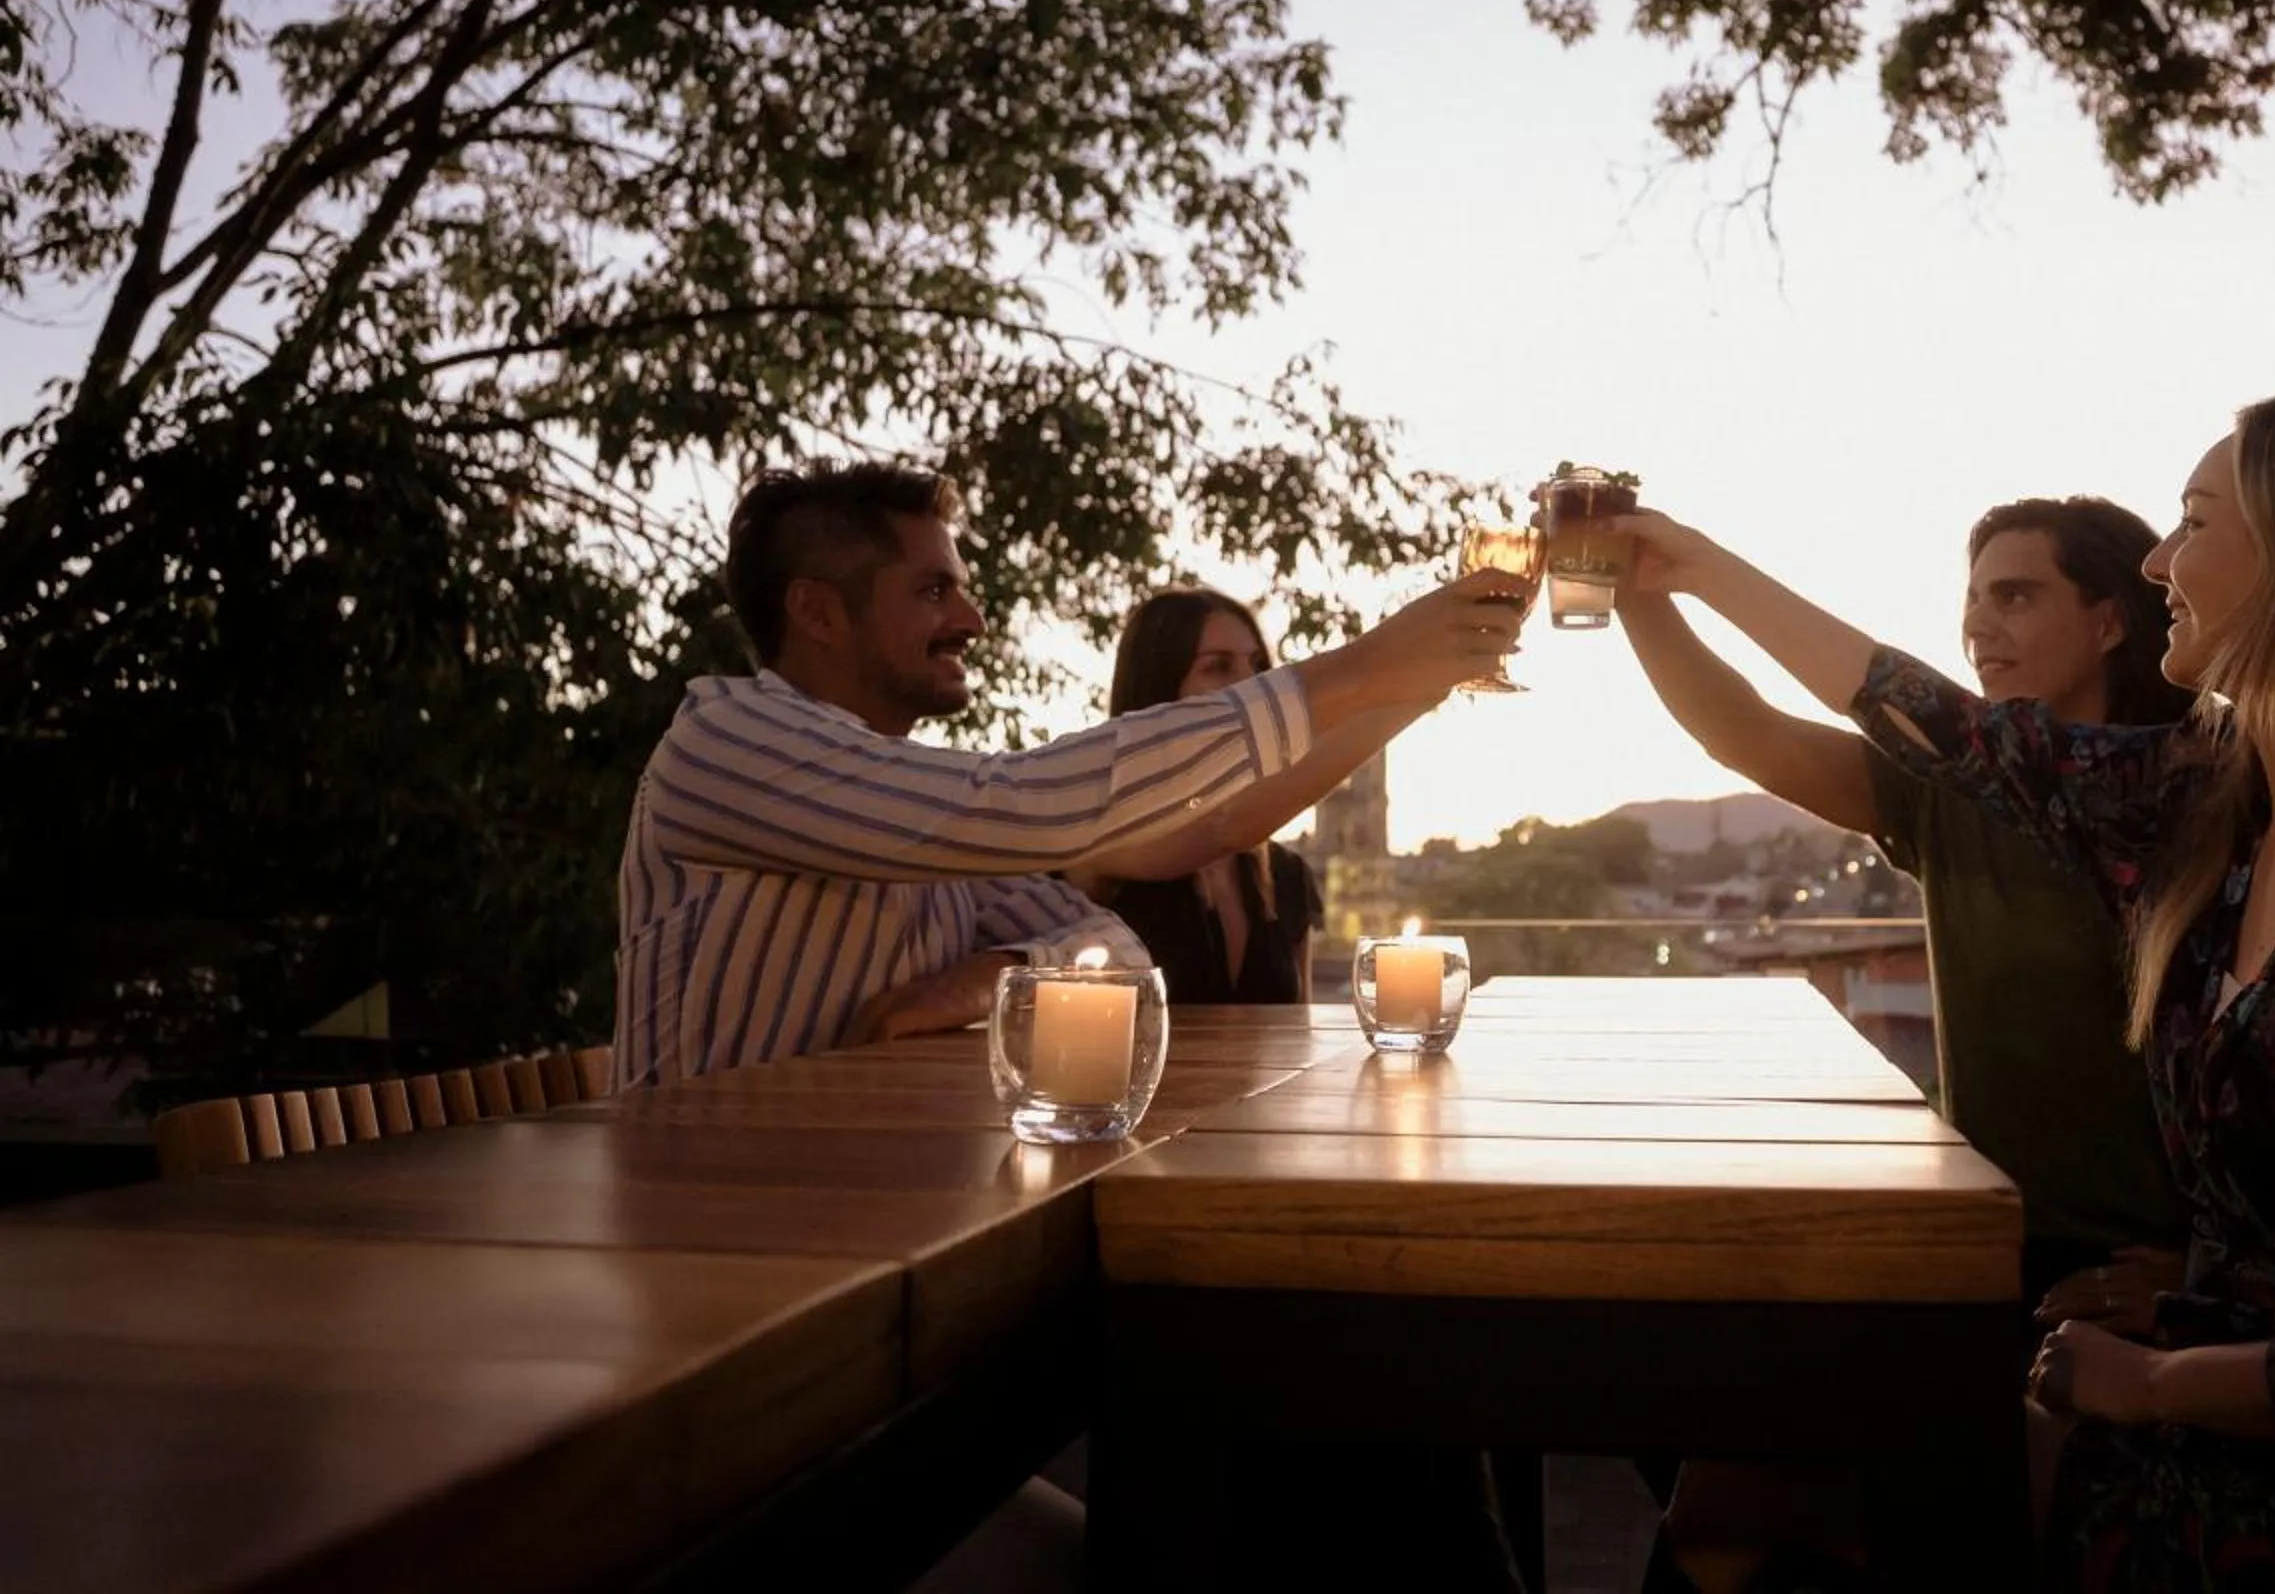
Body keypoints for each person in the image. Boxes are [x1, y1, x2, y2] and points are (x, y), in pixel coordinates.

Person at [1607, 387, 2275, 1589]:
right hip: (2224, 1417)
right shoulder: (2215, 807)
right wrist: (1685, 569)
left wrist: (2164, 1377)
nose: (2161, 559)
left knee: (1773, 1486)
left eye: (2195, 522)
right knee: (1746, 1465)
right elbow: (1939, 723)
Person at [615, 460, 1526, 1089]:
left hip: (858, 1220)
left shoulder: (912, 805)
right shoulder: (730, 742)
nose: (972, 618)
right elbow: (1022, 806)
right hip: (708, 1226)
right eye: (935, 590)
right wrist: (1361, 671)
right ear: (815, 613)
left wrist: (994, 974)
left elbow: (1119, 952)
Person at [1621, 498, 2192, 1293]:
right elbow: (1744, 733)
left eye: (2016, 596)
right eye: (1974, 598)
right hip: (1982, 1241)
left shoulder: (2187, 790)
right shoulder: (1949, 793)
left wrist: (2209, 1276)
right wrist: (1633, 596)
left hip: (2140, 1272)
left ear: (2109, 624)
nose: (1979, 626)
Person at [1071, 586, 1384, 1005]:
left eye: (1257, 665)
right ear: (1160, 689)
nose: (1250, 685)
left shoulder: (1286, 876)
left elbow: (1298, 1038)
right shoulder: (1102, 852)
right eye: (1217, 666)